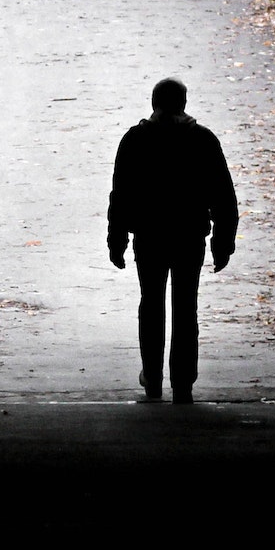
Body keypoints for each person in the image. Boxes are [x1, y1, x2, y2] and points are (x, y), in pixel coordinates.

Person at [105, 77, 239, 404]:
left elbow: (120, 196)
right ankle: (182, 384)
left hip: (149, 237)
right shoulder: (203, 140)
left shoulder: (134, 140)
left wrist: (117, 240)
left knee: (151, 306)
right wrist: (223, 243)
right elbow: (224, 197)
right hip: (188, 237)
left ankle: (152, 378)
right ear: (184, 103)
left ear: (153, 103)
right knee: (185, 308)